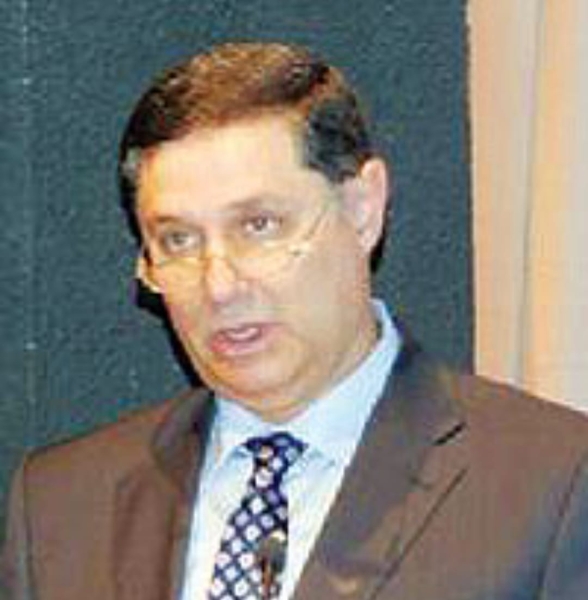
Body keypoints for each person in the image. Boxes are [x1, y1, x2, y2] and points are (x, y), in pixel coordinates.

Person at [1, 41, 587, 600]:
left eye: (259, 226)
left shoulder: (552, 485)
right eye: (178, 240)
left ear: (362, 209)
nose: (219, 286)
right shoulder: (61, 507)